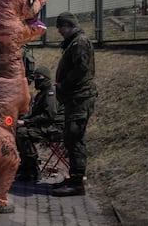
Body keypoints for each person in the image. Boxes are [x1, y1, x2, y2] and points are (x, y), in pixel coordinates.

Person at [52, 12, 97, 196]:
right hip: (75, 98)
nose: (59, 31)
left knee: (74, 137)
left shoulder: (79, 43)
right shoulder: (74, 42)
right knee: (71, 138)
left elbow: (81, 69)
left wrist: (64, 84)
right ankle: (74, 177)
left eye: (61, 26)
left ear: (69, 25)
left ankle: (77, 182)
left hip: (80, 98)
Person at [16, 66, 64, 182]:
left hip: (56, 128)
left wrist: (26, 122)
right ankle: (26, 165)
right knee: (17, 130)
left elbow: (49, 115)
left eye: (39, 77)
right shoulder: (42, 93)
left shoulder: (50, 92)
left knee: (23, 134)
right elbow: (35, 115)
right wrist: (21, 121)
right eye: (34, 77)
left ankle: (33, 170)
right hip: (46, 126)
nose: (36, 80)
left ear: (46, 78)